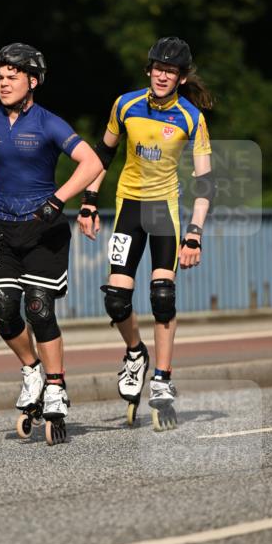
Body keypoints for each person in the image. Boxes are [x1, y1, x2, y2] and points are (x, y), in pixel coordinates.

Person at [0, 43, 103, 443]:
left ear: (32, 81)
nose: (3, 84)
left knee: (38, 308)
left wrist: (59, 200)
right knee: (0, 310)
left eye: (12, 77)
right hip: (1, 224)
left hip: (44, 227)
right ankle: (31, 369)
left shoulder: (50, 123)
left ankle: (55, 386)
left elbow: (92, 163)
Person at [77, 36, 215, 429]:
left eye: (170, 71)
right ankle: (136, 353)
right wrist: (89, 201)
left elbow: (205, 183)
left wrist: (194, 233)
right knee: (117, 300)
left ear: (182, 78)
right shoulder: (125, 105)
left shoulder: (191, 117)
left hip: (164, 213)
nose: (162, 75)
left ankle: (163, 380)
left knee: (162, 296)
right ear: (148, 69)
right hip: (128, 208)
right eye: (157, 67)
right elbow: (102, 155)